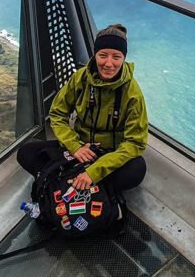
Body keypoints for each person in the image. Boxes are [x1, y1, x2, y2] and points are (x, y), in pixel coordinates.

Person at [17, 23, 148, 199]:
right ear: (95, 55)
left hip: (109, 153)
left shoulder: (132, 93)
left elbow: (135, 143)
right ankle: (89, 186)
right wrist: (74, 146)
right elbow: (57, 113)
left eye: (116, 57)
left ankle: (70, 179)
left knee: (136, 170)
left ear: (124, 58)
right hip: (78, 149)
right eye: (103, 55)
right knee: (25, 152)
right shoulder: (80, 78)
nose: (109, 63)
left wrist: (95, 171)